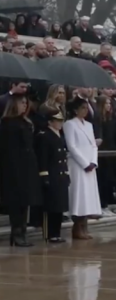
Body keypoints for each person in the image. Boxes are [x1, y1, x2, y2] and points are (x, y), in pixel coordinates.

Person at [0, 94, 42, 247]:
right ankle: (16, 233)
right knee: (16, 201)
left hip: (28, 165)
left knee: (26, 201)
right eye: (21, 103)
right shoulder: (7, 123)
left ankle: (22, 232)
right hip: (13, 166)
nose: (24, 105)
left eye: (26, 103)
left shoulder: (26, 122)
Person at [64, 97, 102, 240]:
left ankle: (85, 225)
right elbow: (72, 146)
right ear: (75, 110)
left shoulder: (89, 125)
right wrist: (84, 163)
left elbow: (93, 145)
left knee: (88, 196)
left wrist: (93, 161)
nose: (85, 111)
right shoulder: (69, 124)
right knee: (79, 195)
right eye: (82, 108)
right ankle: (77, 226)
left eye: (86, 108)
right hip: (78, 165)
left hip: (90, 165)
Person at [35, 110, 69, 244]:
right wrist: (44, 176)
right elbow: (43, 158)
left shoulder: (59, 135)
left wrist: (66, 174)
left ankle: (56, 233)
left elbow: (62, 158)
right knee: (51, 207)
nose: (60, 123)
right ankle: (50, 234)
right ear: (50, 122)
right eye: (57, 121)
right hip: (51, 174)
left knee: (59, 206)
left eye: (61, 121)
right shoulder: (45, 136)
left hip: (60, 174)